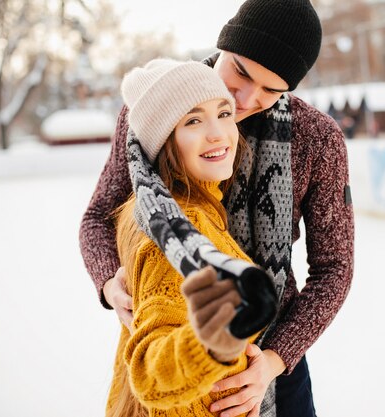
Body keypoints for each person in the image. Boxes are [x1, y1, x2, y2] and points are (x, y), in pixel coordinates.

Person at [80, 0, 355, 416]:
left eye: (271, 90)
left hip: (274, 355)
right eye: (241, 71)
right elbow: (98, 216)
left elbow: (335, 267)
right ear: (224, 43)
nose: (245, 98)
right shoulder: (155, 105)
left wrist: (274, 361)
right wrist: (108, 283)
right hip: (175, 340)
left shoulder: (316, 139)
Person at [107, 58, 260, 416]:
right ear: (163, 140)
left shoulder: (174, 208)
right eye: (193, 120)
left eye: (224, 113)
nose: (219, 133)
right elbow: (150, 372)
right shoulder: (179, 227)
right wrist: (215, 339)